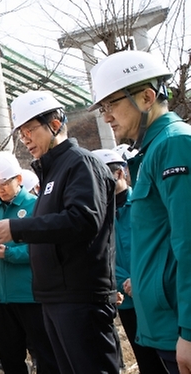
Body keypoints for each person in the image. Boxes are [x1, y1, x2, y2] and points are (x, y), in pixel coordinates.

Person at [0, 90, 120, 374]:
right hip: (55, 297)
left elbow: (82, 220)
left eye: (30, 130)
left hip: (80, 296)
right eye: (21, 133)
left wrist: (16, 229)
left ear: (54, 124)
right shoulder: (52, 172)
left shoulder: (80, 163)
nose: (25, 139)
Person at [90, 50, 191, 374]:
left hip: (178, 327)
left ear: (147, 97)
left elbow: (188, 244)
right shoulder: (154, 151)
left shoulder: (174, 145)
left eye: (112, 105)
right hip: (164, 325)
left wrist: (188, 331)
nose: (106, 117)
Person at [0, 152, 58, 374]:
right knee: (9, 357)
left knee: (45, 355)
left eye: (4, 183)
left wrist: (9, 254)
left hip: (29, 295)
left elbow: (43, 249)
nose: (0, 189)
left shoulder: (37, 205)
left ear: (19, 180)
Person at [92, 148, 167, 374]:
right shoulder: (100, 215)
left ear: (120, 174)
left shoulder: (146, 204)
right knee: (146, 360)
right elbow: (103, 255)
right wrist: (123, 281)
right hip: (126, 298)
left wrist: (140, 280)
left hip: (155, 296)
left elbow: (161, 247)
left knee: (168, 357)